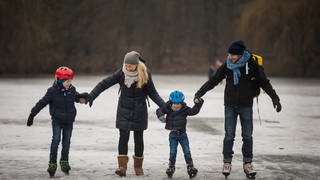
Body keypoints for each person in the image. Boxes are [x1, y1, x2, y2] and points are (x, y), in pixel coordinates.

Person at [194, 40, 282, 178]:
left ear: (241, 54)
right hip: (230, 105)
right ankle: (227, 162)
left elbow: (264, 82)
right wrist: (199, 93)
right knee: (229, 135)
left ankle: (247, 164)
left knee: (247, 136)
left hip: (246, 105)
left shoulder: (252, 65)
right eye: (230, 54)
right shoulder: (227, 65)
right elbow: (214, 80)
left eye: (234, 55)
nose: (231, 57)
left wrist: (275, 98)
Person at [84, 51, 166, 177]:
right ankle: (122, 166)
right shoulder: (121, 73)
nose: (127, 67)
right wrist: (92, 96)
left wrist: (165, 107)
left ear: (136, 65)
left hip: (139, 111)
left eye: (130, 65)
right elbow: (104, 83)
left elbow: (153, 93)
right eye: (126, 64)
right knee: (123, 136)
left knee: (138, 138)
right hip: (124, 109)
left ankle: (138, 166)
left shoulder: (144, 74)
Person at [27, 66, 87, 177]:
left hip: (69, 121)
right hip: (57, 121)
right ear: (59, 80)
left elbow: (77, 97)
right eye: (67, 81)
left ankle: (64, 161)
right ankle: (52, 163)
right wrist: (32, 114)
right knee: (56, 140)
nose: (69, 83)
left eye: (70, 81)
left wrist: (83, 97)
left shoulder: (71, 90)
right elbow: (42, 103)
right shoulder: (52, 91)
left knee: (67, 142)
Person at [156, 90, 204, 178]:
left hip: (183, 135)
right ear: (171, 103)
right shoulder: (167, 108)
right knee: (172, 152)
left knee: (187, 151)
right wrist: (161, 116)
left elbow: (193, 111)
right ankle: (171, 166)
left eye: (178, 103)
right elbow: (159, 110)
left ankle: (190, 166)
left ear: (182, 102)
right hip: (173, 135)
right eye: (174, 103)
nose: (176, 105)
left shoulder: (184, 109)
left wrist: (198, 104)